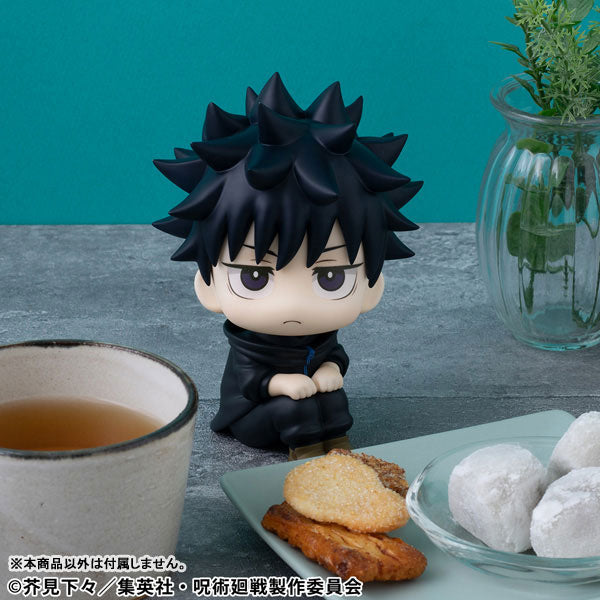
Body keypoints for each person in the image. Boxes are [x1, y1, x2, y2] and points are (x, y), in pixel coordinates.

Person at [153, 73, 422, 459]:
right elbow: (249, 382)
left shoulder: (321, 336)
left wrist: (330, 371)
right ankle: (307, 457)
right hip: (254, 416)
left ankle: (337, 452)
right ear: (207, 286)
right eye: (255, 276)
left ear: (371, 287)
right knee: (292, 407)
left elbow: (334, 355)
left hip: (306, 400)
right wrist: (282, 384)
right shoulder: (248, 346)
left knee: (333, 400)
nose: (292, 304)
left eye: (331, 277)